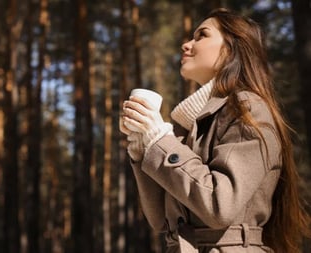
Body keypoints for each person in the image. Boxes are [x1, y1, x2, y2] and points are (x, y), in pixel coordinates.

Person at [120, 8, 310, 253]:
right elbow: (160, 221)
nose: (186, 45)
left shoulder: (248, 109)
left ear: (231, 49)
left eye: (201, 36)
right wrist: (141, 146)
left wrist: (160, 140)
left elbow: (220, 205)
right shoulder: (190, 126)